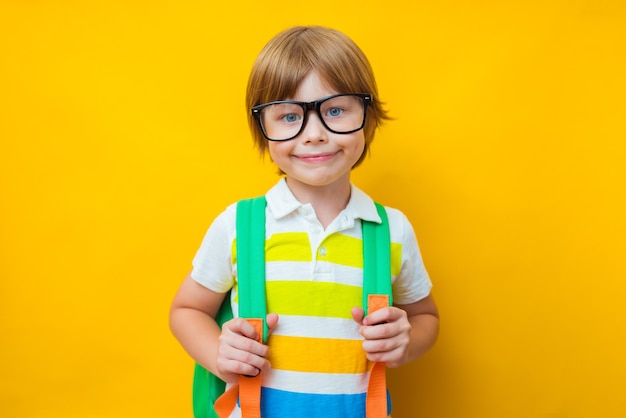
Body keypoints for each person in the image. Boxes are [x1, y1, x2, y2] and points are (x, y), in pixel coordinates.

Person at [170, 25, 439, 417]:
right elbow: (186, 310)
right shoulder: (238, 226)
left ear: (367, 114)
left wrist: (406, 340)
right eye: (289, 116)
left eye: (334, 110)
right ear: (263, 130)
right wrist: (219, 354)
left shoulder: (392, 230)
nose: (314, 134)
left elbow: (425, 317)